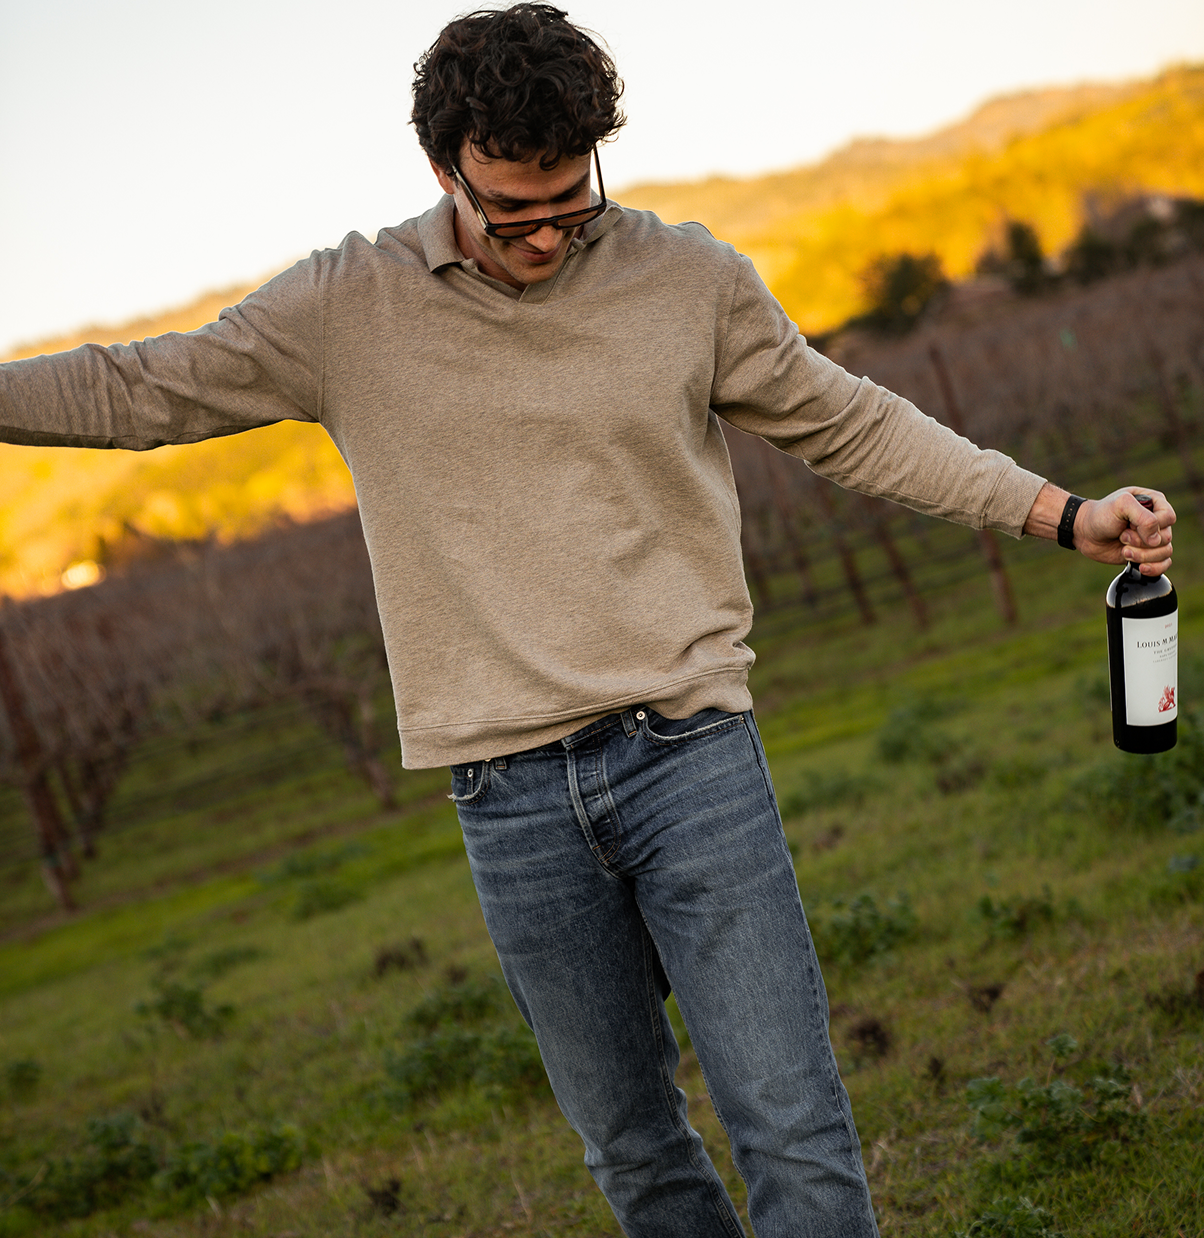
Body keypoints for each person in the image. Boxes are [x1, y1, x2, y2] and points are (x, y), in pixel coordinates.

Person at [0, 5, 1175, 1235]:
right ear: (444, 168)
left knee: (790, 1118)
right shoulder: (348, 308)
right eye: (515, 211)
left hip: (691, 758)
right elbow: (140, 387)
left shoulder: (689, 279)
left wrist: (1057, 512)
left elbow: (854, 422)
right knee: (631, 1148)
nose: (551, 233)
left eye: (574, 198)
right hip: (506, 800)